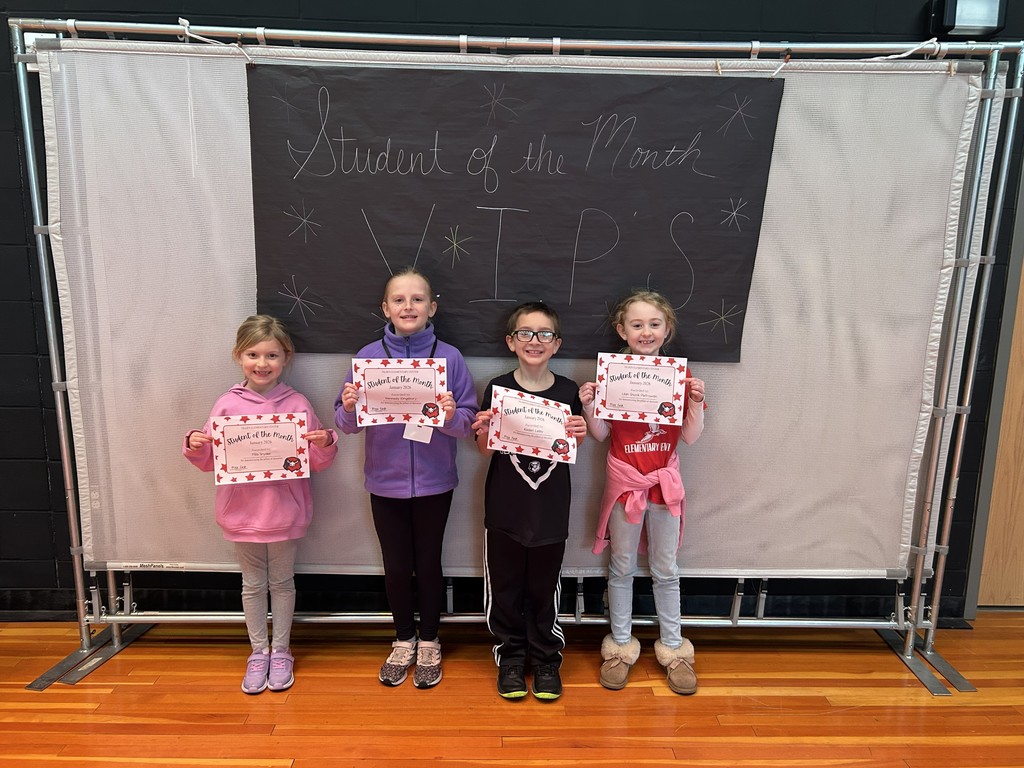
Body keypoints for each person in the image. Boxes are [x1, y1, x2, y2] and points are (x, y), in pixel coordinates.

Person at [335, 266, 477, 689]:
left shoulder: (448, 357)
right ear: (385, 308)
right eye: (399, 299)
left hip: (435, 482)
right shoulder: (366, 357)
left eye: (417, 299)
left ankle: (430, 640)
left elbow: (469, 422)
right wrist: (348, 405)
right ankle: (403, 639)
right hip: (385, 481)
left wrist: (452, 415)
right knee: (396, 567)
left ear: (432, 307)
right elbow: (346, 425)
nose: (408, 306)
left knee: (428, 563)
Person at [183, 315, 338, 695]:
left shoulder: (298, 403)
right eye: (253, 354)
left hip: (285, 513)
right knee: (252, 585)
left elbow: (318, 462)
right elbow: (210, 461)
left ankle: (281, 651)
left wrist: (325, 442)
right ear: (239, 356)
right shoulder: (226, 404)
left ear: (286, 358)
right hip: (241, 514)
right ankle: (258, 652)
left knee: (282, 583)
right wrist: (195, 443)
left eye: (271, 355)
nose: (262, 363)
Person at [579, 290, 706, 695]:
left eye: (654, 324)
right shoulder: (612, 375)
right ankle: (619, 646)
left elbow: (689, 437)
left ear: (667, 329)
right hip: (625, 486)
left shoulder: (679, 378)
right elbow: (600, 435)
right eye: (636, 324)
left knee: (666, 569)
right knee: (621, 568)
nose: (645, 332)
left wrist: (696, 403)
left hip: (664, 487)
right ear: (622, 330)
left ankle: (674, 648)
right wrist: (589, 405)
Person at [471, 302, 588, 701]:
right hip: (505, 508)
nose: (534, 341)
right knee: (505, 587)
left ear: (557, 344)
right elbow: (485, 451)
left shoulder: (569, 391)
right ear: (511, 341)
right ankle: (511, 657)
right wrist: (485, 429)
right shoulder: (498, 388)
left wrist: (581, 433)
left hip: (551, 509)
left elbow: (573, 445)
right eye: (525, 333)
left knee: (543, 587)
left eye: (544, 334)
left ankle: (546, 659)